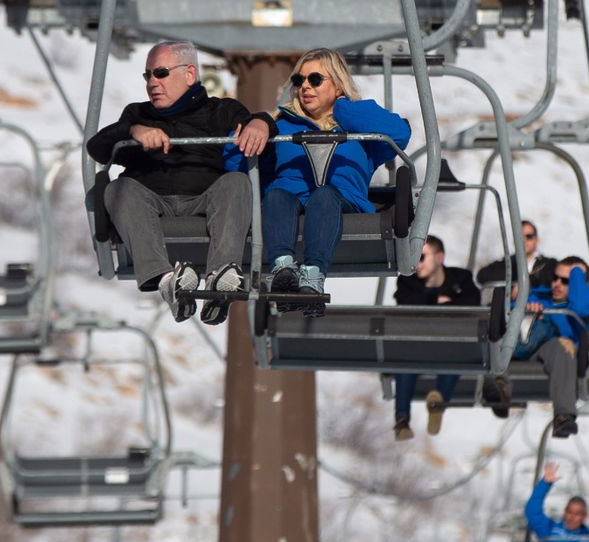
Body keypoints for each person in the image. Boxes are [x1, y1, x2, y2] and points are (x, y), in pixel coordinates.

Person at [87, 40, 272, 324]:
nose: (152, 83)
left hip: (204, 197)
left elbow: (254, 124)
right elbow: (98, 147)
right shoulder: (138, 114)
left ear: (189, 74)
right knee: (117, 189)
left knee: (236, 181)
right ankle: (165, 279)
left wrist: (261, 124)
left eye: (160, 73)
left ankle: (220, 277)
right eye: (147, 75)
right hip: (150, 198)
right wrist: (133, 131)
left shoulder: (220, 111)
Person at [226, 48, 410, 313]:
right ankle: (283, 269)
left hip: (340, 202)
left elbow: (400, 133)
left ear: (337, 84)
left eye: (315, 79)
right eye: (299, 80)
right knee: (277, 195)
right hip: (287, 202)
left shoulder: (359, 126)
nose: (305, 87)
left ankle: (312, 274)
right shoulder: (283, 124)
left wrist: (343, 108)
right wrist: (262, 122)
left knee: (324, 195)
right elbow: (235, 161)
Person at [484, 256, 589, 438]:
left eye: (565, 281)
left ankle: (564, 416)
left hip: (546, 351)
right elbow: (506, 309)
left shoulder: (578, 305)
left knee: (562, 348)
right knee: (506, 327)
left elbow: (581, 310)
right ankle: (498, 387)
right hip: (518, 340)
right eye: (555, 278)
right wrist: (525, 309)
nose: (557, 284)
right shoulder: (538, 295)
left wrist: (577, 273)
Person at [390, 235, 481, 440]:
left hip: (450, 348)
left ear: (439, 257)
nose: (416, 264)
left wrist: (441, 304)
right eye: (412, 258)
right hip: (417, 347)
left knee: (454, 356)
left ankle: (438, 404)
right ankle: (403, 419)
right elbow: (405, 301)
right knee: (406, 359)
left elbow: (473, 301)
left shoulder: (461, 278)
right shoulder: (407, 280)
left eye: (421, 257)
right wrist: (440, 301)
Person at [476, 220, 558, 294]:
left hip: (538, 308)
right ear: (514, 241)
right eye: (519, 237)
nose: (524, 240)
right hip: (510, 308)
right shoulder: (507, 262)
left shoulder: (550, 264)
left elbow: (553, 280)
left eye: (529, 236)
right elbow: (482, 276)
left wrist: (526, 283)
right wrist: (513, 284)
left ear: (537, 240)